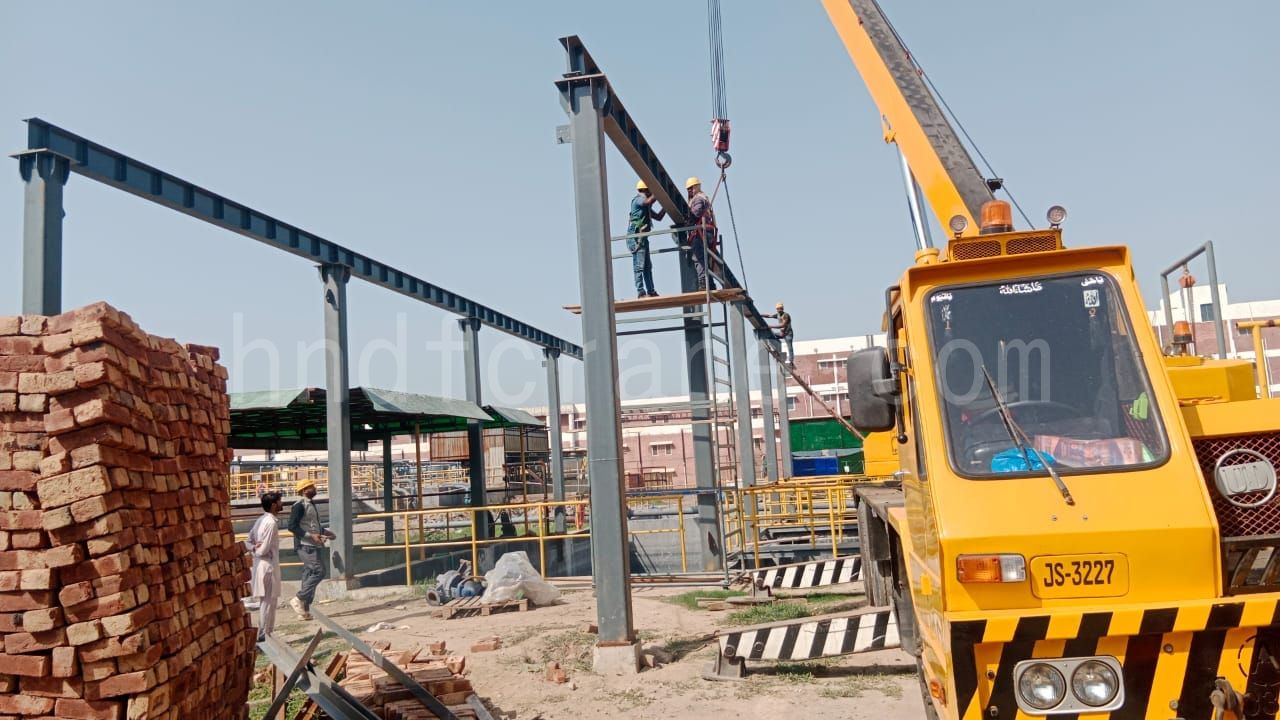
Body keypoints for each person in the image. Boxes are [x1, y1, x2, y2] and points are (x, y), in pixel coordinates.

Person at [287, 479, 334, 621]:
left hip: (313, 544)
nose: (314, 488)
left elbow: (311, 525)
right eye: (311, 487)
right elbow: (292, 526)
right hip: (305, 545)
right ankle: (298, 598)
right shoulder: (299, 505)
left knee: (309, 574)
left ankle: (304, 610)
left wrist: (325, 532)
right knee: (319, 571)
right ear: (304, 490)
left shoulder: (310, 504)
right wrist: (311, 536)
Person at [246, 492, 283, 640]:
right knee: (269, 602)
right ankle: (264, 635)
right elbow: (263, 548)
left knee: (267, 601)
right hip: (267, 564)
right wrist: (257, 548)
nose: (282, 504)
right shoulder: (270, 523)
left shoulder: (261, 520)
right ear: (274, 505)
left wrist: (254, 547)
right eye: (280, 502)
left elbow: (248, 542)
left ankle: (266, 634)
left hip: (262, 563)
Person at [628, 180, 666, 298]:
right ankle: (641, 292)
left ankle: (651, 291)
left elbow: (659, 217)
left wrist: (665, 205)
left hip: (643, 238)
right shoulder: (639, 199)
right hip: (636, 238)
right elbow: (648, 201)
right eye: (650, 190)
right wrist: (659, 192)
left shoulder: (646, 206)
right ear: (645, 190)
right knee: (639, 266)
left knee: (647, 266)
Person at [685, 177, 720, 290]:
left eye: (691, 188)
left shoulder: (699, 199)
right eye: (688, 189)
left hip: (701, 233)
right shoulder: (703, 198)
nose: (689, 191)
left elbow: (696, 214)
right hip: (706, 232)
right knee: (704, 258)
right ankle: (710, 283)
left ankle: (704, 283)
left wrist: (687, 219)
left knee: (698, 259)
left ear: (696, 187)